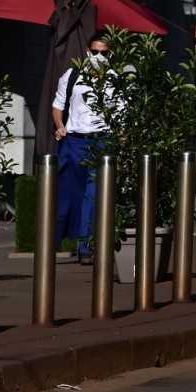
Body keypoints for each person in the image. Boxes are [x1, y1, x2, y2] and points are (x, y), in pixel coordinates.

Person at [52, 35, 109, 265]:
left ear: (110, 54)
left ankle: (85, 247)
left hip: (102, 142)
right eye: (95, 52)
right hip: (73, 142)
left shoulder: (116, 80)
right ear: (87, 51)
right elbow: (58, 105)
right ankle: (53, 242)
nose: (98, 57)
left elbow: (122, 116)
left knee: (92, 194)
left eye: (104, 53)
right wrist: (60, 127)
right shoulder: (72, 75)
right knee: (66, 195)